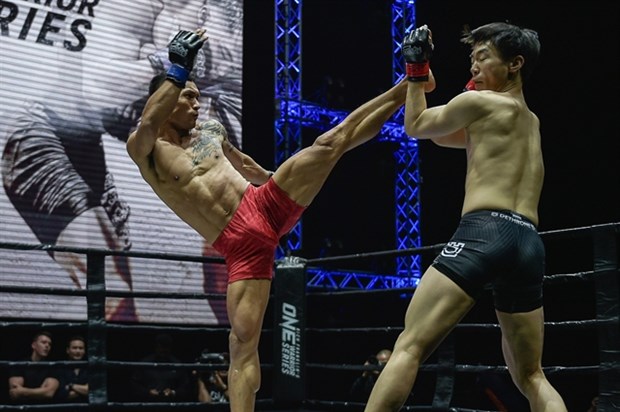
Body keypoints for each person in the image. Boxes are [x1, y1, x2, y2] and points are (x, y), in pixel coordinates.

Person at [126, 27, 434, 411]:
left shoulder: (210, 128)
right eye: (188, 96)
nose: (196, 104)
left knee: (330, 144)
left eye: (198, 96)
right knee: (242, 346)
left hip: (265, 203)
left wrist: (281, 180)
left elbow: (244, 165)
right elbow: (150, 121)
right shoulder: (146, 149)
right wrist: (177, 70)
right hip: (240, 246)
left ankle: (409, 82)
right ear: (166, 98)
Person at [364, 23, 567, 412]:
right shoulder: (530, 121)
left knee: (409, 345)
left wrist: (416, 68)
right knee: (531, 376)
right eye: (471, 59)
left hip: (484, 231)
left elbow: (416, 126)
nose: (473, 67)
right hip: (527, 242)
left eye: (483, 57)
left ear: (515, 64)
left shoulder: (481, 104)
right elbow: (445, 136)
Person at [129, 333, 191, 402]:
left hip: (170, 405)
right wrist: (147, 392)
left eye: (166, 347)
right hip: (148, 404)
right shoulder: (145, 363)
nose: (163, 350)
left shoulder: (177, 365)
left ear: (170, 348)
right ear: (156, 347)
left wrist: (173, 392)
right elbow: (134, 384)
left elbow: (186, 386)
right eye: (160, 347)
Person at [7, 331, 59, 403]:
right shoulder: (20, 365)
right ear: (34, 345)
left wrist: (23, 391)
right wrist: (40, 392)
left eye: (49, 344)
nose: (47, 346)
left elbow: (49, 393)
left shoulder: (52, 367)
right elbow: (15, 394)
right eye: (43, 342)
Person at [55, 335, 89, 403]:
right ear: (68, 350)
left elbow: (93, 392)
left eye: (81, 348)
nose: (78, 351)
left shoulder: (89, 368)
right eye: (74, 348)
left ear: (84, 351)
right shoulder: (60, 368)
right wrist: (83, 390)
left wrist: (71, 386)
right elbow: (60, 394)